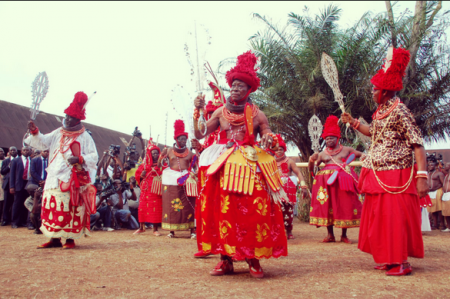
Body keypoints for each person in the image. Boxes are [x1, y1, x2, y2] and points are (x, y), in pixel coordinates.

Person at [193, 51, 288, 278]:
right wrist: (196, 111)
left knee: (254, 209)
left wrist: (268, 138)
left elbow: (267, 133)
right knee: (221, 209)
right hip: (224, 162)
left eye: (240, 86)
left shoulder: (258, 114)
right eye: (233, 85)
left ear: (249, 90)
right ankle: (225, 260)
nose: (235, 89)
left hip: (249, 161)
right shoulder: (220, 112)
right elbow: (201, 131)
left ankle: (253, 259)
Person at [341, 47, 428, 276]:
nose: (371, 92)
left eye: (375, 89)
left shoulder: (401, 111)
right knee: (379, 217)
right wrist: (354, 123)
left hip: (397, 173)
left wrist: (422, 177)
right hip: (378, 171)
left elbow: (417, 144)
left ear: (386, 91)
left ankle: (400, 261)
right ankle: (387, 257)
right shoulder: (382, 110)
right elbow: (374, 133)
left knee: (393, 218)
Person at [26, 91, 98, 249]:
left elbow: (94, 156)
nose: (65, 119)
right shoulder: (58, 132)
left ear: (77, 119)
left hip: (71, 178)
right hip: (53, 177)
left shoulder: (85, 136)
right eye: (65, 116)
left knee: (69, 208)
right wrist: (35, 132)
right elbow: (43, 142)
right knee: (52, 207)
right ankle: (54, 239)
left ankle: (70, 239)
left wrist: (80, 159)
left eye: (69, 117)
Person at [308, 116, 363, 243]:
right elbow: (311, 169)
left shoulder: (347, 150)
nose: (328, 140)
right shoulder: (321, 154)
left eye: (331, 138)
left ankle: (344, 235)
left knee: (344, 205)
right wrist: (311, 159)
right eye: (326, 139)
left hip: (342, 182)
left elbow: (360, 154)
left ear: (338, 138)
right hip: (325, 184)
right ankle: (330, 235)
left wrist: (365, 157)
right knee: (328, 207)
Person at [159, 120, 196, 238]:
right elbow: (160, 164)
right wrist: (161, 156)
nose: (183, 141)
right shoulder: (169, 151)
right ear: (176, 140)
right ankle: (171, 231)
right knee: (170, 205)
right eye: (181, 139)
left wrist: (193, 174)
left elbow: (195, 167)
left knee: (189, 204)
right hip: (171, 182)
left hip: (185, 181)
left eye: (185, 139)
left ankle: (192, 230)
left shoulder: (190, 153)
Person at [275, 135, 308, 240]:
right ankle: (277, 231)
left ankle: (289, 232)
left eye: (281, 149)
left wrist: (303, 185)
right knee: (276, 210)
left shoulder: (290, 161)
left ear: (284, 150)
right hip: (275, 189)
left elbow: (298, 172)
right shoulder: (271, 161)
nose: (279, 151)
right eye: (277, 149)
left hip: (288, 190)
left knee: (288, 210)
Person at [134, 139, 163, 235]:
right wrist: (141, 175)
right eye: (153, 153)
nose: (155, 155)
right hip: (145, 189)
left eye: (156, 153)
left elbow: (165, 174)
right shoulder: (144, 165)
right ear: (150, 154)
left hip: (155, 189)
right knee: (142, 207)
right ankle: (141, 227)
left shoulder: (162, 165)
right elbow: (137, 174)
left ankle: (155, 229)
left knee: (155, 208)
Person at [10, 146, 33, 228]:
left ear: (30, 151)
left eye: (28, 150)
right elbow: (12, 174)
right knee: (17, 203)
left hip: (28, 184)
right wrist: (11, 186)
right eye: (24, 150)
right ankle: (15, 222)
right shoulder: (16, 161)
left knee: (26, 203)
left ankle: (23, 221)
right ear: (21, 152)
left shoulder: (31, 160)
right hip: (18, 184)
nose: (26, 151)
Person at [426, 156, 445, 230]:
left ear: (435, 166)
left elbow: (443, 183)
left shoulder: (439, 173)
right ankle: (435, 224)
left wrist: (443, 193)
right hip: (430, 193)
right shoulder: (427, 174)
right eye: (429, 165)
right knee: (432, 209)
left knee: (439, 209)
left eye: (432, 165)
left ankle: (442, 225)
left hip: (438, 191)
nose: (430, 167)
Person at [1, 146, 18, 226]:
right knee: (7, 203)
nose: (13, 151)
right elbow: (3, 171)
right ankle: (5, 219)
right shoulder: (6, 161)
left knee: (16, 202)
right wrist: (9, 166)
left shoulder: (19, 160)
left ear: (16, 151)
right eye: (11, 150)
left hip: (17, 184)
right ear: (9, 152)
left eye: (14, 150)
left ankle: (14, 220)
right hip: (7, 184)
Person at [440, 162, 450, 232]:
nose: (444, 166)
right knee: (446, 212)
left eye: (446, 165)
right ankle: (448, 227)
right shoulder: (446, 175)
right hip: (445, 195)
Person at [0, 148, 5, 223]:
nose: (1, 153)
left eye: (2, 151)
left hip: (4, 183)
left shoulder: (6, 160)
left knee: (3, 200)